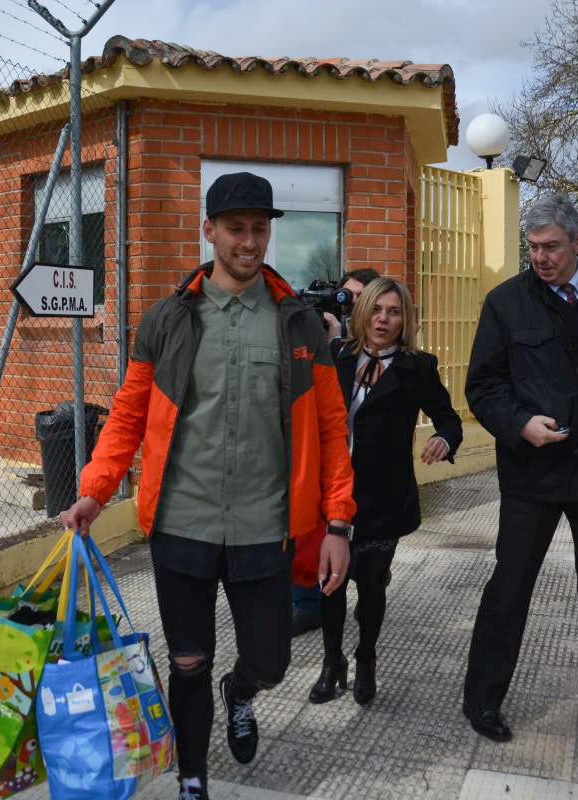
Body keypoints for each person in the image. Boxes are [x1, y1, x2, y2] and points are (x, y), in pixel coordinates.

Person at [59, 171, 356, 800]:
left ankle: (241, 691)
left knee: (272, 660)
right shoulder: (170, 320)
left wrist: (337, 524)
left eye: (259, 228)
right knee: (188, 661)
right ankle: (192, 776)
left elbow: (331, 429)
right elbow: (129, 413)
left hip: (266, 525)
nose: (249, 241)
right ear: (210, 231)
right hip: (182, 524)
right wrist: (96, 487)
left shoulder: (300, 324)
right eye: (235, 228)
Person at [462, 195, 578, 745]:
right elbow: (483, 386)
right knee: (510, 589)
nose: (540, 258)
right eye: (533, 247)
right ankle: (483, 700)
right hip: (533, 473)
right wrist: (520, 424)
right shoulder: (505, 303)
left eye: (551, 247)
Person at [304, 276, 462, 706]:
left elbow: (450, 420)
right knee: (329, 584)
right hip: (331, 493)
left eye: (393, 312)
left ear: (404, 319)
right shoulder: (337, 356)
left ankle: (366, 657)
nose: (383, 319)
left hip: (382, 498)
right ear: (361, 312)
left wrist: (443, 440)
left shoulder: (418, 367)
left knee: (371, 589)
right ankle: (331, 662)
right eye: (376, 309)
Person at [293, 267, 383, 637]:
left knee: (361, 542)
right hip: (322, 455)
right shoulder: (325, 341)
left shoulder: (383, 345)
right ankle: (309, 602)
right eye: (347, 296)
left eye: (362, 298)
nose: (352, 305)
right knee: (312, 532)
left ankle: (369, 582)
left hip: (366, 462)